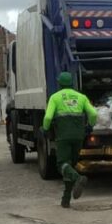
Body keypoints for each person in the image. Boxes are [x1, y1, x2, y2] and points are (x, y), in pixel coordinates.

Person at [43, 71, 97, 208]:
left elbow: (48, 117)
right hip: (78, 136)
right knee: (70, 166)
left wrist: (45, 129)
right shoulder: (81, 97)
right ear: (72, 83)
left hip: (63, 136)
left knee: (62, 164)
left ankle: (78, 178)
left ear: (59, 83)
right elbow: (94, 113)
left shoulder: (55, 97)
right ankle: (65, 200)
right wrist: (90, 126)